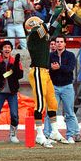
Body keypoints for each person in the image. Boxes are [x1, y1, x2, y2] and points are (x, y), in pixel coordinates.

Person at [25, 16, 68, 148]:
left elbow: (51, 28)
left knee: (52, 102)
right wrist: (55, 12)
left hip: (45, 72)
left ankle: (54, 132)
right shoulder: (33, 35)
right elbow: (45, 27)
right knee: (40, 104)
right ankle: (39, 134)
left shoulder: (40, 35)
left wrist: (58, 16)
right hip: (37, 71)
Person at [46, 34, 81, 143]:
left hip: (67, 87)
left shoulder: (70, 55)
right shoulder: (50, 56)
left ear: (65, 43)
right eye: (57, 42)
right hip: (54, 87)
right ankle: (47, 135)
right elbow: (46, 68)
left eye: (61, 42)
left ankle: (70, 135)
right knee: (50, 112)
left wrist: (59, 67)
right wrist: (52, 68)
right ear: (55, 44)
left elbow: (70, 68)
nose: (59, 44)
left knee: (69, 112)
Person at [0, 41, 23, 143]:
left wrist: (15, 64)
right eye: (5, 47)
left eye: (9, 47)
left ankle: (13, 135)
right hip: (0, 91)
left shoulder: (16, 61)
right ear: (1, 50)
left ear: (11, 50)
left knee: (14, 115)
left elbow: (20, 76)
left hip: (12, 92)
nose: (7, 49)